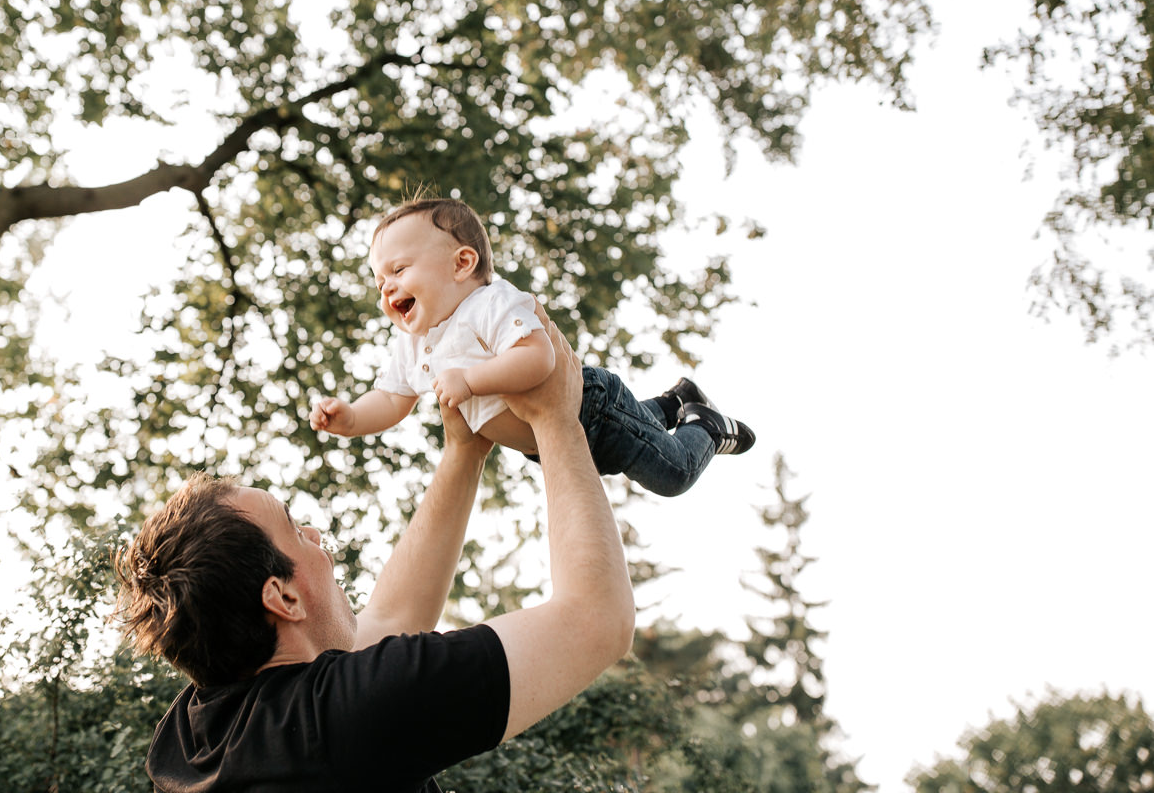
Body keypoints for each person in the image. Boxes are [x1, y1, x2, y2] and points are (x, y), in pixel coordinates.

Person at [112, 311, 636, 792]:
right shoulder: (341, 719)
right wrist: (556, 422)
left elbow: (387, 622)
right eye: (295, 530)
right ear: (283, 598)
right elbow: (596, 619)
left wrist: (464, 450)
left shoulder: (191, 738)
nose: (316, 536)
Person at [309, 197, 755, 497]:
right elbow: (391, 398)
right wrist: (350, 418)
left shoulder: (488, 304)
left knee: (671, 473)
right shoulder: (415, 342)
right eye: (379, 280)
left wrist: (470, 378)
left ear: (462, 263)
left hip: (588, 408)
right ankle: (673, 401)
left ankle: (706, 425)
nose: (387, 288)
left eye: (399, 270)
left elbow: (538, 358)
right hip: (547, 444)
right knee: (631, 450)